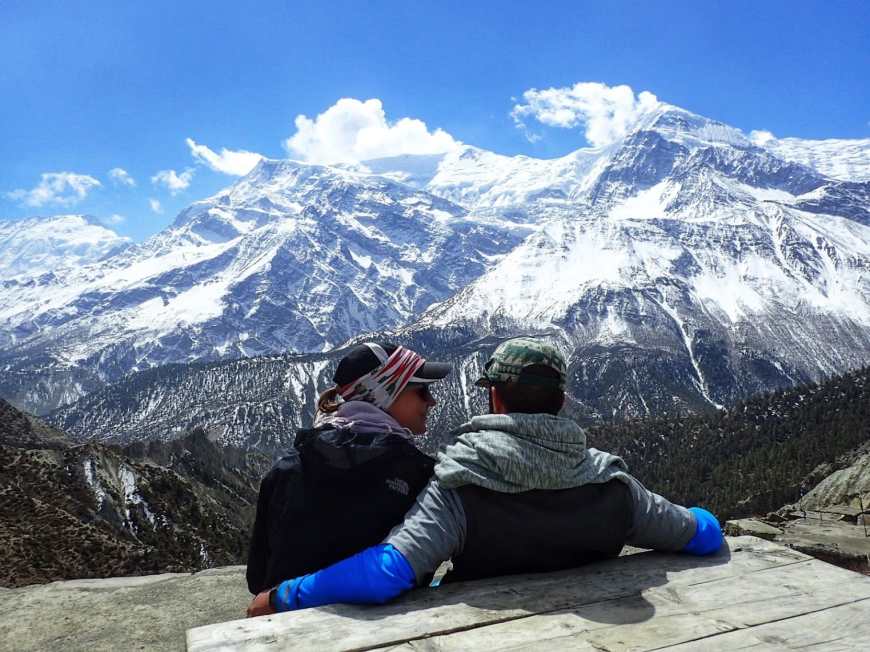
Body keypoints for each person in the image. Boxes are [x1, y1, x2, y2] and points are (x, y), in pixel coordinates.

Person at [248, 337, 724, 616]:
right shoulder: (613, 484)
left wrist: (285, 594)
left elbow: (383, 575)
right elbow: (698, 535)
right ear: (562, 401)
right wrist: (705, 517)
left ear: (495, 400)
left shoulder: (460, 484)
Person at [245, 341, 450, 610]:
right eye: (421, 391)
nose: (432, 401)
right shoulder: (418, 474)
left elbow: (257, 578)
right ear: (384, 393)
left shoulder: (288, 467)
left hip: (288, 625)